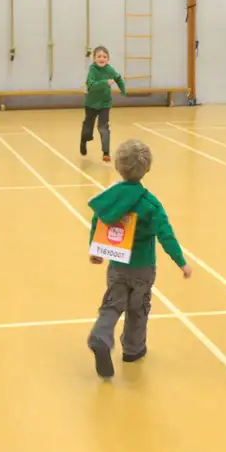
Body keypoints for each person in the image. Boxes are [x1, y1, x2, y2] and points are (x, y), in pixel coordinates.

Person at [85, 139, 190, 377]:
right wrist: (181, 262)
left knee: (112, 303)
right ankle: (133, 349)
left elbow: (98, 220)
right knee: (138, 308)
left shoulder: (111, 197)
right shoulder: (150, 204)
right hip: (143, 267)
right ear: (147, 168)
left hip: (117, 266)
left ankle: (101, 335)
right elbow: (166, 235)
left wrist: (96, 249)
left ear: (118, 166)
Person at [80, 46, 125, 162]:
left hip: (105, 104)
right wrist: (105, 83)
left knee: (104, 127)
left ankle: (106, 152)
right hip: (91, 104)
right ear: (94, 58)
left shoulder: (110, 70)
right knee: (88, 128)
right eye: (99, 56)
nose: (102, 59)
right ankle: (84, 140)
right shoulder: (92, 70)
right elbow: (91, 85)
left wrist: (123, 90)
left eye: (104, 57)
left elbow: (118, 78)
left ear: (108, 59)